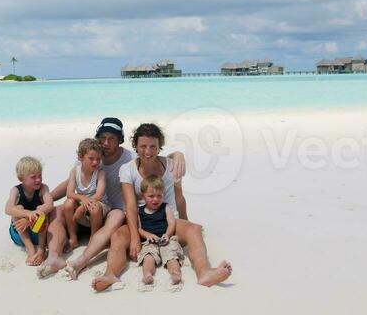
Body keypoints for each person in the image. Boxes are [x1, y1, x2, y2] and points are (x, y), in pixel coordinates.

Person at [37, 117, 186, 279]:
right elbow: (70, 183)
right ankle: (53, 257)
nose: (106, 143)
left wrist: (177, 154)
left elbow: (153, 156)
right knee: (56, 211)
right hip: (82, 213)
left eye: (111, 139)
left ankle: (82, 261)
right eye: (102, 138)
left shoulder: (129, 159)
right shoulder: (90, 155)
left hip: (110, 215)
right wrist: (46, 201)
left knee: (117, 214)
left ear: (120, 140)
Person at [91, 123, 232, 291]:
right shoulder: (127, 169)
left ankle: (204, 273)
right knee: (118, 236)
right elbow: (130, 206)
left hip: (168, 220)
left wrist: (186, 223)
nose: (148, 151)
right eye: (143, 146)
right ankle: (110, 274)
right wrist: (135, 238)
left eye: (153, 147)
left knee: (194, 230)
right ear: (135, 146)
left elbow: (179, 198)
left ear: (159, 148)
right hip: (141, 222)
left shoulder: (172, 165)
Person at [137, 175, 184, 290]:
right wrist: (148, 235)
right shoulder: (140, 211)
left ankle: (175, 273)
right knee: (148, 257)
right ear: (143, 195)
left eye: (159, 196)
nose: (156, 199)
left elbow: (172, 223)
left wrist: (167, 235)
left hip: (165, 239)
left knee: (171, 256)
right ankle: (148, 274)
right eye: (151, 196)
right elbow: (138, 229)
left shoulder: (165, 207)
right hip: (150, 241)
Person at [5, 156, 53, 266]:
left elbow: (50, 205)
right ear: (21, 178)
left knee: (42, 209)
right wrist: (28, 214)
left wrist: (34, 215)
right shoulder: (16, 190)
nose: (38, 179)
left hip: (38, 231)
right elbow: (7, 209)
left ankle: (41, 250)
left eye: (40, 175)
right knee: (18, 209)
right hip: (19, 234)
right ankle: (30, 249)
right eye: (33, 177)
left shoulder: (43, 188)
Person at [63, 138, 109, 250]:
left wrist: (83, 207)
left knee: (94, 207)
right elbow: (69, 193)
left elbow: (99, 194)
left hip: (99, 204)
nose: (95, 162)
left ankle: (93, 238)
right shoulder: (75, 171)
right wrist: (82, 199)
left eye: (98, 159)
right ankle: (73, 238)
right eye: (91, 158)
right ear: (80, 157)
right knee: (68, 203)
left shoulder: (100, 173)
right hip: (84, 203)